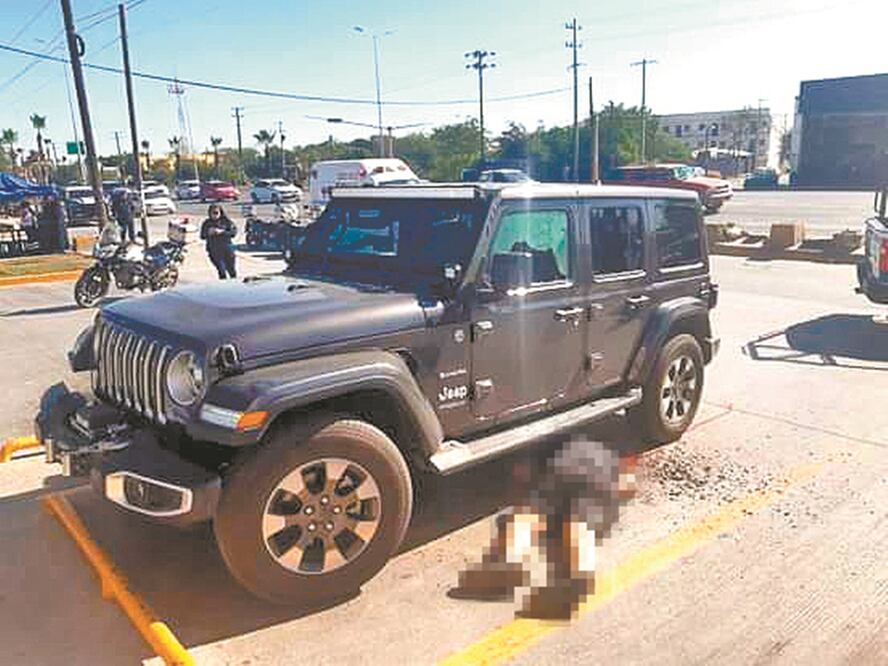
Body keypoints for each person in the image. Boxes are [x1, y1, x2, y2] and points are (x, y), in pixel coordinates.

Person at [451, 437, 637, 620]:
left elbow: (523, 481)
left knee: (533, 510)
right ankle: (579, 567)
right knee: (582, 518)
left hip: (559, 466)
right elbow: (628, 484)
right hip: (602, 467)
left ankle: (510, 557)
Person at [200, 204, 238, 279]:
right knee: (221, 270)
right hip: (214, 250)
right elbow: (202, 236)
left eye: (216, 213)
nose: (214, 215)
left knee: (232, 270)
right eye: (212, 213)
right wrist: (208, 232)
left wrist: (222, 232)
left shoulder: (226, 222)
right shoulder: (207, 223)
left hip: (227, 249)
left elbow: (233, 232)